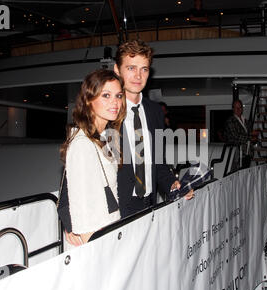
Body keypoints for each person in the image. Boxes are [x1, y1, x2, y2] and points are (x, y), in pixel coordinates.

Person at [113, 39, 193, 218]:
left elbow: (158, 163)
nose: (138, 76)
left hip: (150, 206)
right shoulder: (107, 112)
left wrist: (173, 184)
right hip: (117, 210)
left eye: (144, 69)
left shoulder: (155, 111)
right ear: (117, 70)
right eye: (131, 68)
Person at [60, 69, 126, 246]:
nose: (115, 102)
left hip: (109, 231)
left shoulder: (107, 137)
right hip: (94, 243)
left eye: (118, 96)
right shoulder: (83, 145)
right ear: (89, 100)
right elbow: (82, 213)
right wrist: (97, 253)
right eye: (106, 95)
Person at [224, 99, 259, 170]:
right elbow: (236, 136)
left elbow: (248, 136)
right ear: (233, 109)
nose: (238, 109)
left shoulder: (246, 121)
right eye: (236, 107)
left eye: (240, 107)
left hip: (247, 153)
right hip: (237, 154)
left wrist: (254, 138)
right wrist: (250, 136)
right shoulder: (230, 121)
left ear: (242, 108)